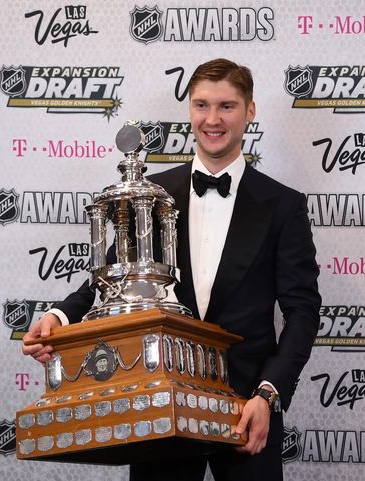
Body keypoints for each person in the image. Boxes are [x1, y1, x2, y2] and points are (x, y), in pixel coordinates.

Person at [22, 58, 321, 481]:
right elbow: (110, 279)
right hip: (158, 400)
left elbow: (303, 312)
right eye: (201, 105)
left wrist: (267, 396)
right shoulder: (152, 195)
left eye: (227, 106)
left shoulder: (284, 206)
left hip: (246, 408)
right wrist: (58, 318)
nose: (212, 119)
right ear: (189, 110)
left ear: (250, 110)